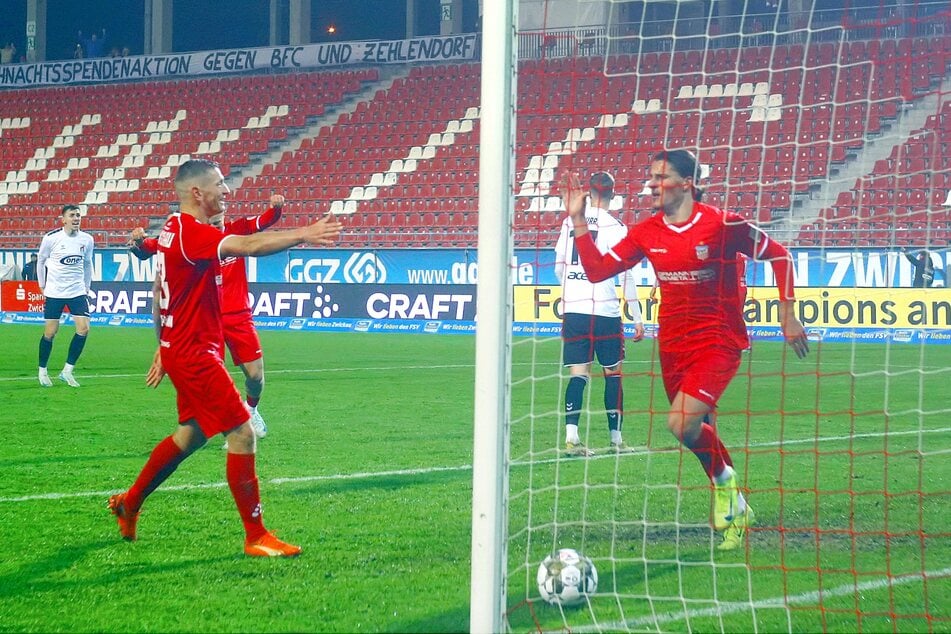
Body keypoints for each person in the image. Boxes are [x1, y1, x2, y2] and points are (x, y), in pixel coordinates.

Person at [560, 149, 809, 551]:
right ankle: (734, 503)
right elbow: (596, 270)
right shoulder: (646, 232)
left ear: (687, 184)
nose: (652, 184)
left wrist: (787, 313)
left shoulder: (722, 224)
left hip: (719, 342)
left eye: (661, 177)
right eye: (651, 176)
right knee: (695, 427)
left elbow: (779, 254)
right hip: (672, 345)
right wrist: (576, 219)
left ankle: (729, 497)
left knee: (680, 423)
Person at [108, 158, 342, 557]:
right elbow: (249, 245)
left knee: (189, 436)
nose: (227, 190)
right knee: (242, 433)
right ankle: (256, 536)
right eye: (219, 184)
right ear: (197, 193)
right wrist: (305, 233)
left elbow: (156, 290)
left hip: (186, 348)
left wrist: (164, 345)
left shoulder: (171, 230)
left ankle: (129, 503)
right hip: (195, 353)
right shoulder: (191, 233)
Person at [129, 196, 284, 439]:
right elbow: (151, 247)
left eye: (220, 223)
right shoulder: (192, 237)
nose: (217, 228)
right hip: (206, 318)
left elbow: (265, 221)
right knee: (215, 379)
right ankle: (234, 426)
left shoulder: (236, 231)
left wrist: (276, 207)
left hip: (238, 316)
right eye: (212, 224)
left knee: (255, 376)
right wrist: (139, 242)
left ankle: (251, 409)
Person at [554, 171, 645, 457]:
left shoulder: (570, 221)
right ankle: (616, 440)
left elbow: (558, 265)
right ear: (612, 195)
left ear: (589, 194)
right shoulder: (616, 226)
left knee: (578, 374)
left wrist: (571, 290)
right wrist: (637, 316)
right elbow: (627, 273)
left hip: (575, 308)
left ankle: (572, 438)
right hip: (604, 309)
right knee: (612, 374)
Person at [36, 205, 95, 388]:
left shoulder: (87, 239)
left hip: (77, 291)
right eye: (72, 215)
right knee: (50, 332)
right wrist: (42, 285)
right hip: (55, 292)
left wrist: (87, 286)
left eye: (78, 215)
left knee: (84, 328)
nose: (76, 218)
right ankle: (42, 371)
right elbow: (41, 260)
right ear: (63, 219)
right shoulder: (51, 238)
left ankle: (67, 371)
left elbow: (87, 263)